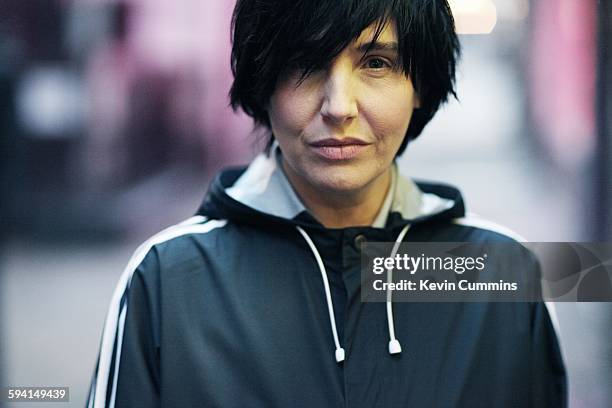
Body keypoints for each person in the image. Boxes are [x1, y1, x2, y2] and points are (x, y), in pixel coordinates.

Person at [87, 0, 567, 407]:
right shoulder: (166, 279)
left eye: (376, 63)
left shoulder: (507, 272)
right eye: (306, 63)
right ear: (263, 83)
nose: (339, 106)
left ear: (419, 85)